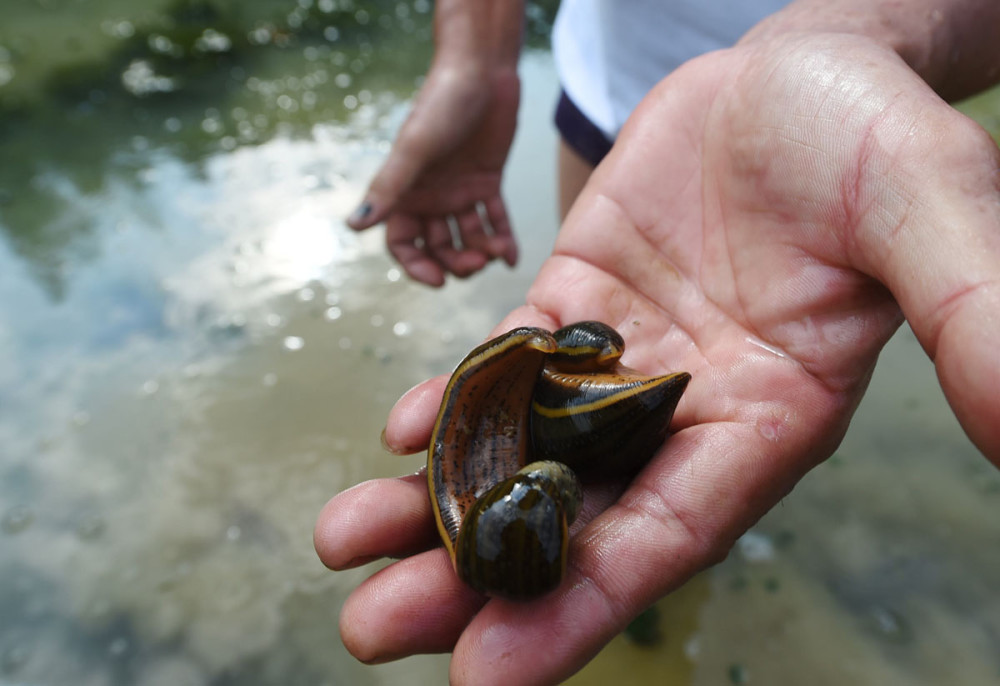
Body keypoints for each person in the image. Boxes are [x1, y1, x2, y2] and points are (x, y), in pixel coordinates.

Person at [316, 1, 1000, 683]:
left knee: (696, 501)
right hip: (611, 94)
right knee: (657, 481)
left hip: (770, 130)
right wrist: (477, 55)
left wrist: (868, 33)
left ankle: (683, 588)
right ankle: (678, 591)